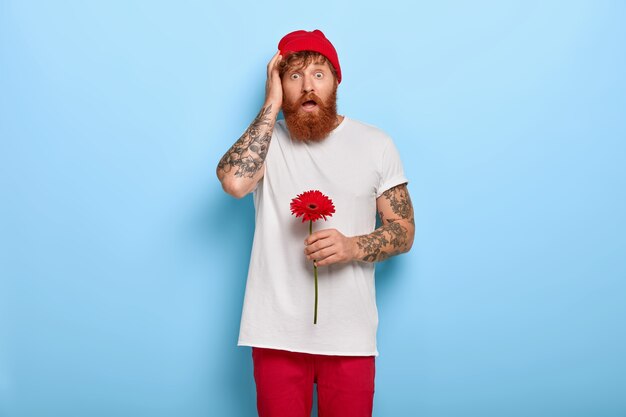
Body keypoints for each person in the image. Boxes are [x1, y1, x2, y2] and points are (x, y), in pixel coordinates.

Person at [216, 29, 415, 417]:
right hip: (274, 335)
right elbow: (235, 183)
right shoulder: (266, 142)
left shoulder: (376, 144)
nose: (308, 86)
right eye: (294, 76)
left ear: (336, 81)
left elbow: (404, 231)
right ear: (279, 84)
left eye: (319, 75)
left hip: (350, 338)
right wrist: (270, 105)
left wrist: (352, 246)